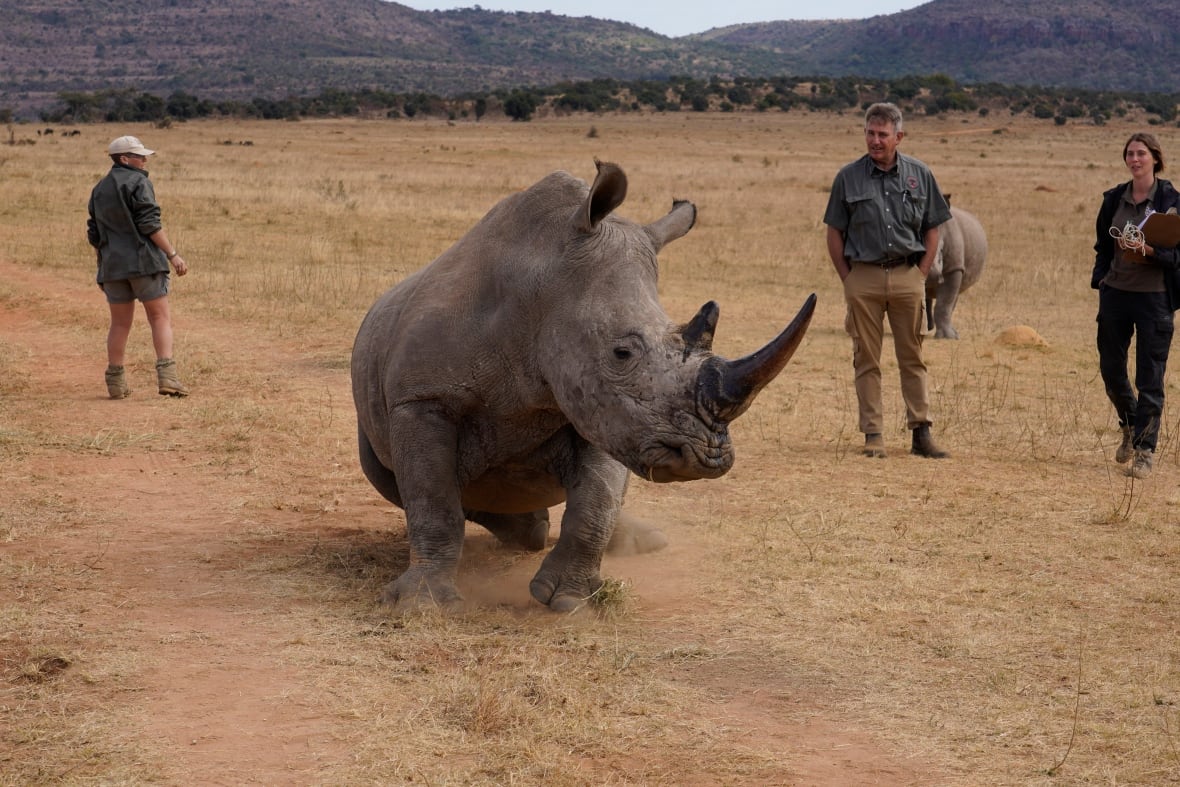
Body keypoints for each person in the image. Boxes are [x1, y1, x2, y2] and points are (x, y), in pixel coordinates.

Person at [823, 102, 951, 459]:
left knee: (913, 356)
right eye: (870, 133)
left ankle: (921, 432)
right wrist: (849, 279)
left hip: (907, 275)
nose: (875, 140)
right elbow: (834, 233)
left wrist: (921, 273)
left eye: (883, 134)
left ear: (899, 136)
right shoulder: (847, 177)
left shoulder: (920, 173)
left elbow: (933, 227)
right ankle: (873, 434)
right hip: (862, 276)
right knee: (866, 357)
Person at [1091, 132, 1180, 479]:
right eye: (1130, 153)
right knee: (1111, 370)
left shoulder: (1171, 201)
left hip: (1154, 298)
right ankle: (1129, 424)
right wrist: (1101, 279)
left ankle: (1145, 450)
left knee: (1150, 376)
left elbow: (1177, 257)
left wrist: (1150, 252)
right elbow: (1102, 243)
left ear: (1155, 158)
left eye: (1141, 153)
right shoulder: (1115, 198)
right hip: (1115, 293)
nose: (1135, 159)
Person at [87, 135, 190, 398]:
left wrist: (106, 261)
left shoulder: (99, 189)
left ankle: (115, 383)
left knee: (119, 324)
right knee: (159, 317)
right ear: (124, 159)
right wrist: (173, 254)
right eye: (140, 156)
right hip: (144, 263)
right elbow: (150, 224)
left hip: (112, 267)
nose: (144, 160)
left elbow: (94, 235)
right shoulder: (139, 182)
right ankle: (168, 378)